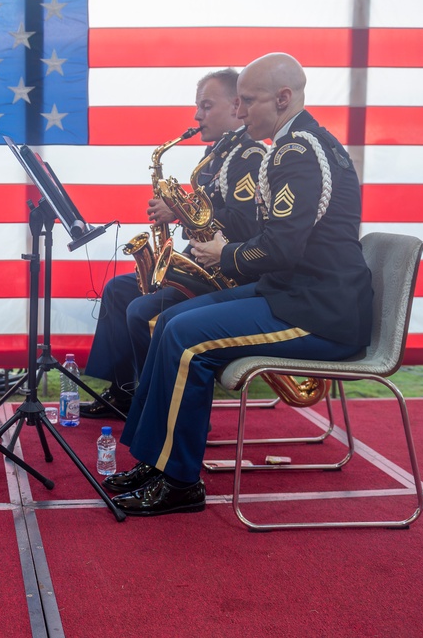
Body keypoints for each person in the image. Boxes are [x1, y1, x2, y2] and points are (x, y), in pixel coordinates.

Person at [104, 53, 373, 516]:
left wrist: (223, 254)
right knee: (168, 319)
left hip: (319, 311)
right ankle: (156, 461)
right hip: (293, 293)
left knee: (186, 339)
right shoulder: (296, 144)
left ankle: (180, 481)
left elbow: (281, 248)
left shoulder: (299, 151)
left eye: (248, 101)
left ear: (283, 98)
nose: (240, 111)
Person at [82, 69, 263, 418]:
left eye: (206, 106)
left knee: (142, 309)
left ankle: (162, 410)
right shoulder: (216, 156)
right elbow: (206, 216)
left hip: (227, 274)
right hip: (202, 264)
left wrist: (178, 210)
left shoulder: (249, 157)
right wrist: (177, 214)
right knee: (119, 290)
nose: (197, 116)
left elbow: (244, 223)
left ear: (235, 105)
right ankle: (124, 393)